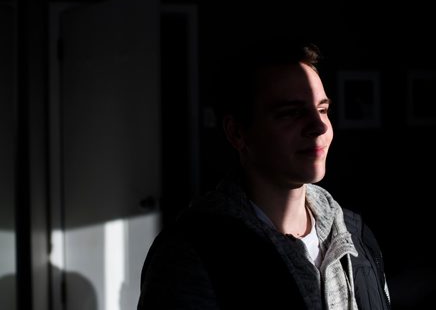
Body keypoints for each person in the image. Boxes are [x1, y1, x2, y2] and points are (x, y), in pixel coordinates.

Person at [137, 39, 391, 309]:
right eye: (292, 113)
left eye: (322, 110)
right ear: (238, 133)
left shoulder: (355, 235)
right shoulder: (190, 253)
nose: (318, 127)